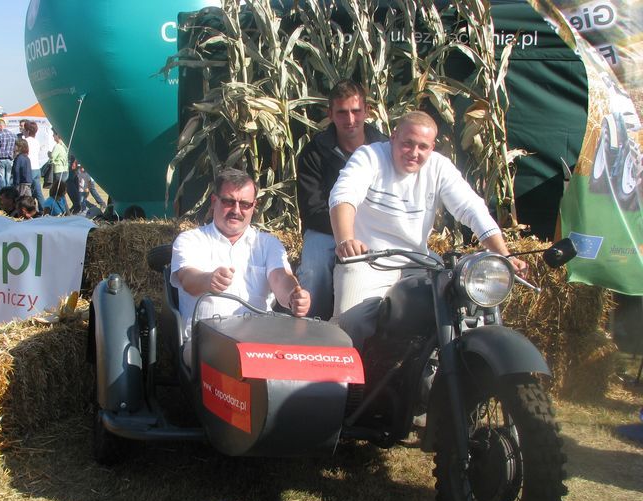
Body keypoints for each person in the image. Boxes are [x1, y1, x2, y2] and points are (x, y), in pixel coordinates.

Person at [329, 110, 527, 350]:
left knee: (457, 310)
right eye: (407, 143)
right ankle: (352, 386)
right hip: (367, 260)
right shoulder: (370, 157)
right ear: (393, 137)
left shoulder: (439, 167)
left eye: (423, 147)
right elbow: (344, 196)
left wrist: (503, 255)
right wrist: (346, 239)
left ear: (432, 147)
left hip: (417, 261)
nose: (414, 153)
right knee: (353, 322)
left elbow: (471, 208)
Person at [170, 168, 310, 363]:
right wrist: (208, 280)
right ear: (214, 201)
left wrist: (295, 297)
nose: (236, 210)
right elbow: (188, 279)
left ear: (254, 206)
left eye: (245, 204)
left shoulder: (268, 244)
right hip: (205, 341)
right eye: (229, 201)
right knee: (234, 362)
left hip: (260, 343)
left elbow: (280, 278)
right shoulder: (191, 240)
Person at [296, 80, 388, 320]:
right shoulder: (313, 152)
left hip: (376, 229)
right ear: (330, 114)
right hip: (326, 231)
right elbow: (312, 210)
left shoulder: (386, 148)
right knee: (315, 265)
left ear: (367, 111)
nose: (350, 119)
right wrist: (345, 234)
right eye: (342, 112)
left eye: (356, 111)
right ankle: (312, 327)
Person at [23, 121, 45, 210]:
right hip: (37, 168)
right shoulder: (36, 142)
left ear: (27, 131)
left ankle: (31, 208)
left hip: (29, 169)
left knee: (28, 192)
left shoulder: (25, 141)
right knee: (38, 192)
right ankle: (43, 209)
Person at [0, 119, 16, 190]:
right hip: (10, 159)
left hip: (0, 160)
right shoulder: (13, 135)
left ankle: (3, 194)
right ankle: (9, 195)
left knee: (1, 179)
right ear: (5, 125)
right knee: (8, 179)